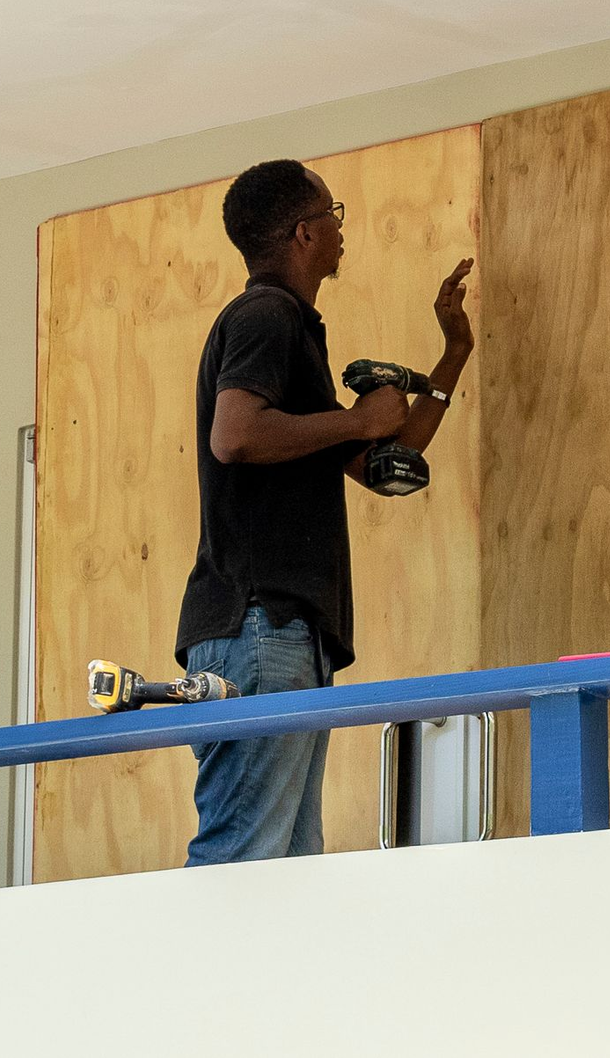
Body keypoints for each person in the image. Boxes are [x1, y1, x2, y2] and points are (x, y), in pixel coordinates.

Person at [175, 158, 474, 866]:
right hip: (258, 627)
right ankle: (190, 980)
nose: (342, 230)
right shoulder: (265, 315)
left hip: (283, 635)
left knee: (286, 869)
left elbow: (385, 460)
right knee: (241, 863)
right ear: (306, 232)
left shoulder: (292, 330)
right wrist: (355, 420)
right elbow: (236, 433)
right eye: (333, 216)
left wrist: (453, 354)